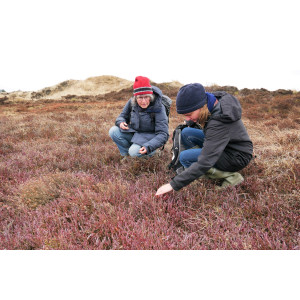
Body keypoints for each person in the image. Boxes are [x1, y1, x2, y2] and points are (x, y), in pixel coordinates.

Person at [156, 83, 253, 195]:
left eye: (189, 114)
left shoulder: (218, 122)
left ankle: (231, 176)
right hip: (228, 145)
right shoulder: (211, 101)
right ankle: (197, 166)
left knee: (185, 157)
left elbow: (205, 161)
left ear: (201, 106)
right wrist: (190, 121)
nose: (188, 118)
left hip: (236, 156)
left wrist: (173, 184)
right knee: (187, 133)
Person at [109, 76, 169, 158]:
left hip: (150, 137)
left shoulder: (158, 107)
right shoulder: (132, 102)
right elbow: (122, 116)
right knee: (113, 131)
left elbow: (163, 134)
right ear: (135, 97)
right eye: (140, 97)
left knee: (134, 152)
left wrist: (149, 146)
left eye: (146, 97)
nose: (143, 101)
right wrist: (121, 122)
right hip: (136, 133)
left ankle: (154, 152)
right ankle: (127, 156)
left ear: (150, 97)